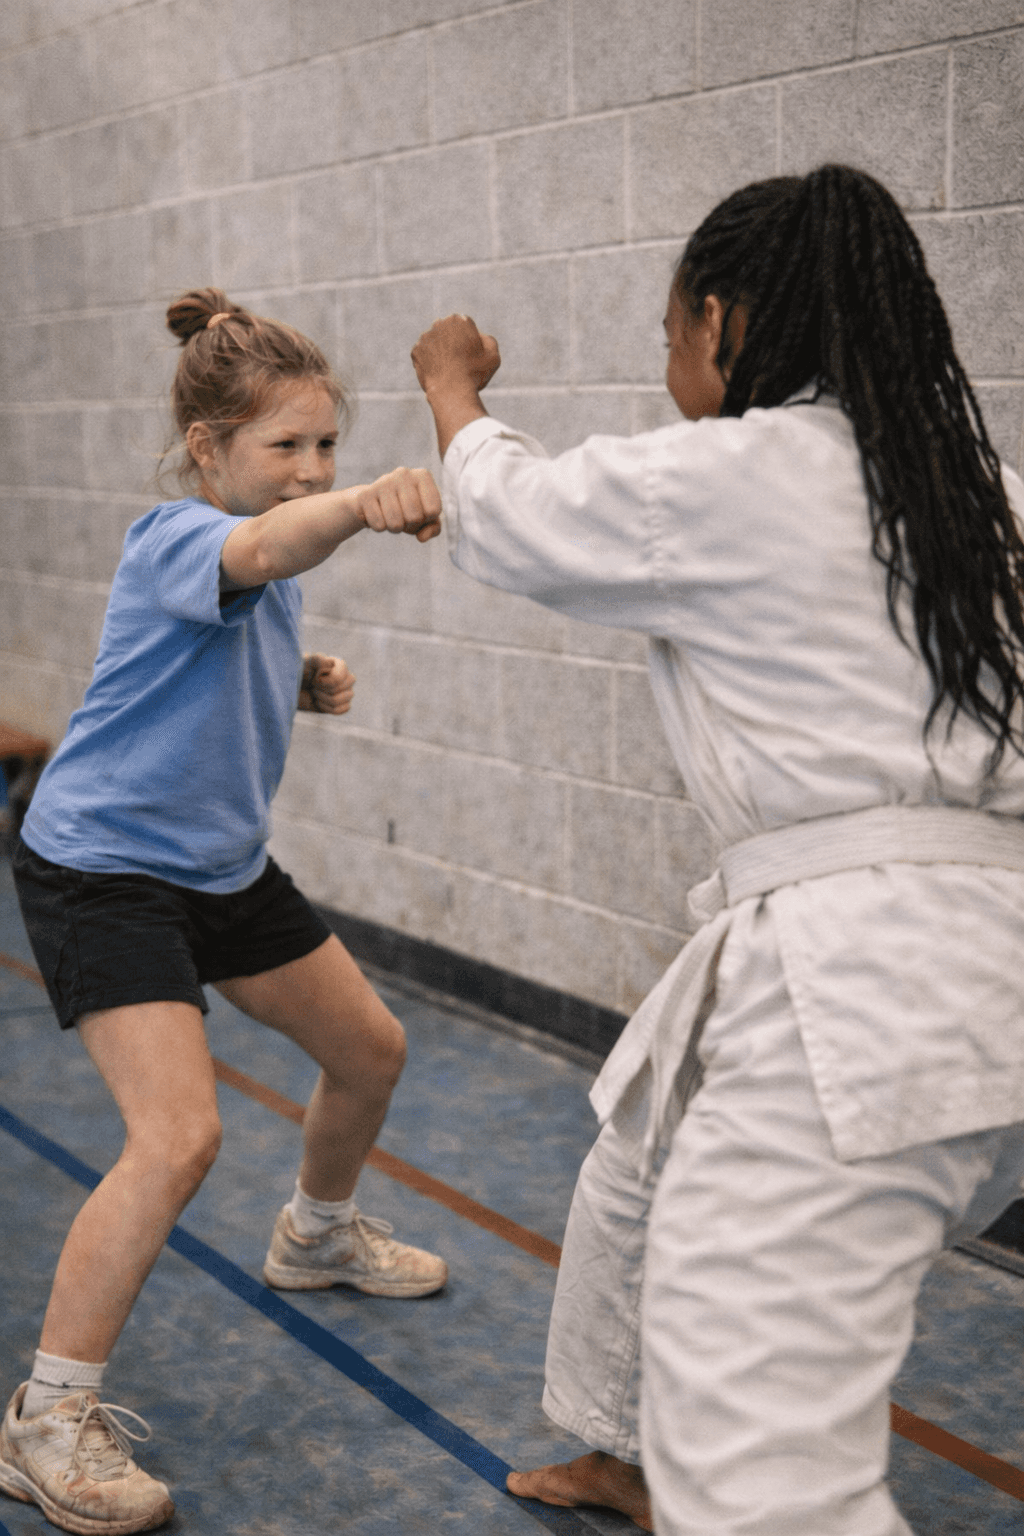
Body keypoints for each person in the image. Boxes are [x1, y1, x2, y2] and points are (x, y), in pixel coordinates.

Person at [412, 166, 1024, 1535]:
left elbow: (510, 515)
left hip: (868, 986)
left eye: (670, 329)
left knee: (761, 1480)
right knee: (646, 1150)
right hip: (973, 968)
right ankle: (622, 1450)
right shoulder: (981, 492)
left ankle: (682, 1468)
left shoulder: (737, 471)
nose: (668, 359)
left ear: (723, 319)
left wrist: (451, 386)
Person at [1, 288, 446, 1535]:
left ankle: (315, 1233)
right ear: (208, 451)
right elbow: (260, 557)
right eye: (284, 449)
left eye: (326, 449)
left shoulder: (264, 539)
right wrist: (357, 505)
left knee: (370, 1049)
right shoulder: (177, 536)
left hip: (217, 865)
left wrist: (293, 679)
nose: (310, 469)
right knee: (177, 1137)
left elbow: (229, 628)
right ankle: (45, 1420)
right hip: (103, 868)